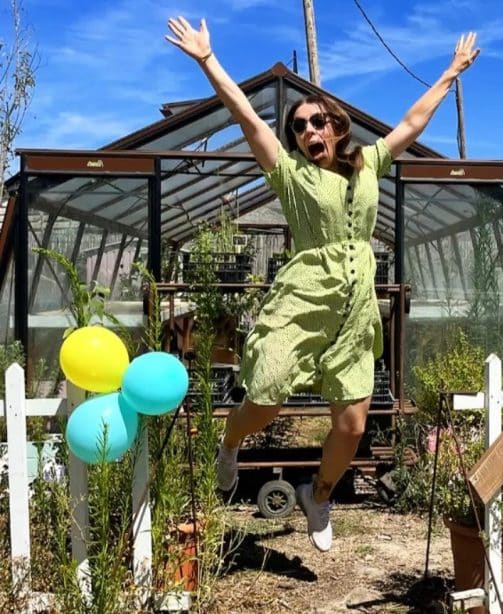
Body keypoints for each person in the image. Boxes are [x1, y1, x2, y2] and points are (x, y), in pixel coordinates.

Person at [165, 16, 479, 552]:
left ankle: (319, 494)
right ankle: (230, 442)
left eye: (316, 122)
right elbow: (246, 117)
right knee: (266, 394)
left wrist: (450, 72)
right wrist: (207, 59)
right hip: (305, 295)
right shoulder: (290, 174)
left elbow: (412, 122)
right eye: (298, 127)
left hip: (356, 307)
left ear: (335, 127)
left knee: (352, 425)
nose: (308, 131)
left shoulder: (369, 164)